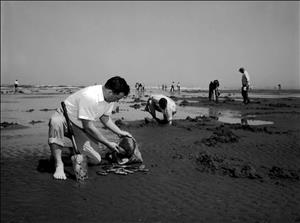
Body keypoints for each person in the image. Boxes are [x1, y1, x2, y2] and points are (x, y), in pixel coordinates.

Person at [48, 76, 132, 180]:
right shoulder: (90, 96)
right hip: (65, 118)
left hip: (79, 125)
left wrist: (120, 132)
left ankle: (60, 152)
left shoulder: (109, 100)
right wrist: (108, 143)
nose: (117, 101)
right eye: (117, 98)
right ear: (110, 92)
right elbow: (88, 127)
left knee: (95, 159)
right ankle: (59, 164)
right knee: (55, 122)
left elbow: (105, 118)